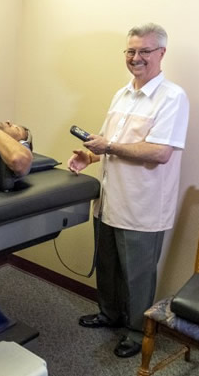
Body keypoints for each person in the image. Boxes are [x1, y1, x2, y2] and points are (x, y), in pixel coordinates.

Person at [68, 23, 189, 358]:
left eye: (145, 51)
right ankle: (109, 314)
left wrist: (108, 146)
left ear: (161, 53)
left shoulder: (173, 97)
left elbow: (160, 151)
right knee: (107, 265)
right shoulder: (121, 94)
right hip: (109, 200)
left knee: (137, 276)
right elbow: (107, 144)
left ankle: (137, 332)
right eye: (131, 51)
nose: (136, 58)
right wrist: (88, 155)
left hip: (143, 206)